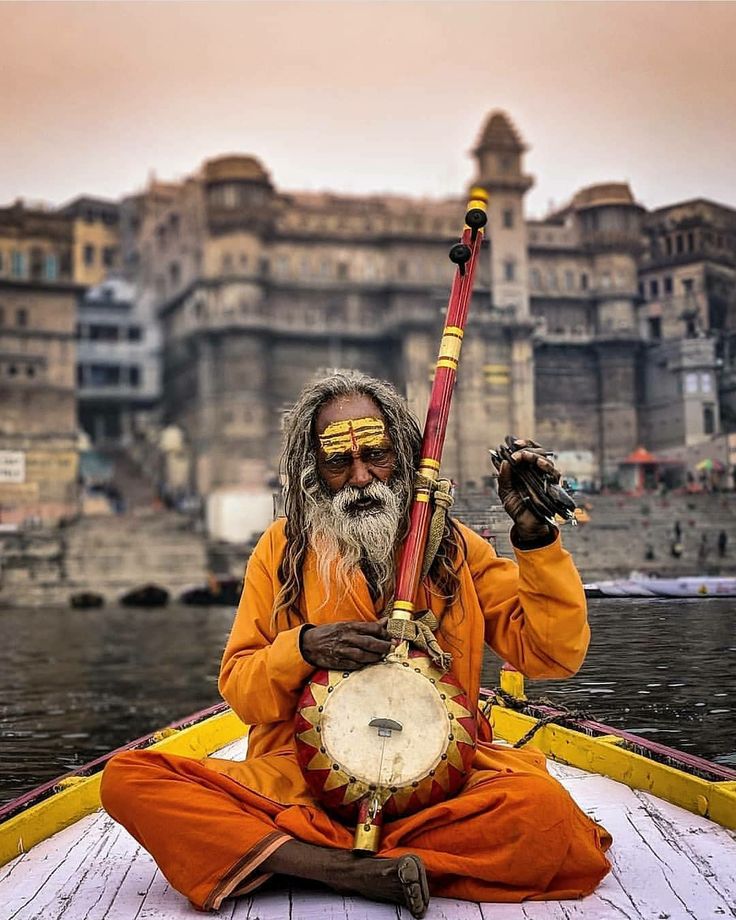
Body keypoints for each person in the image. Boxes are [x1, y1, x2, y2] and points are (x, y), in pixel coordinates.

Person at [100, 372, 611, 916]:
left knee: (545, 813)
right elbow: (244, 695)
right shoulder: (282, 551)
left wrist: (535, 537)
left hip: (439, 786)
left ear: (407, 456)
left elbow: (553, 653)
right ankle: (348, 869)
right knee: (128, 779)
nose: (361, 477)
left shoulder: (456, 550)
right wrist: (304, 648)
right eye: (339, 462)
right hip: (304, 783)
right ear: (314, 471)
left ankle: (291, 858)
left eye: (377, 455)